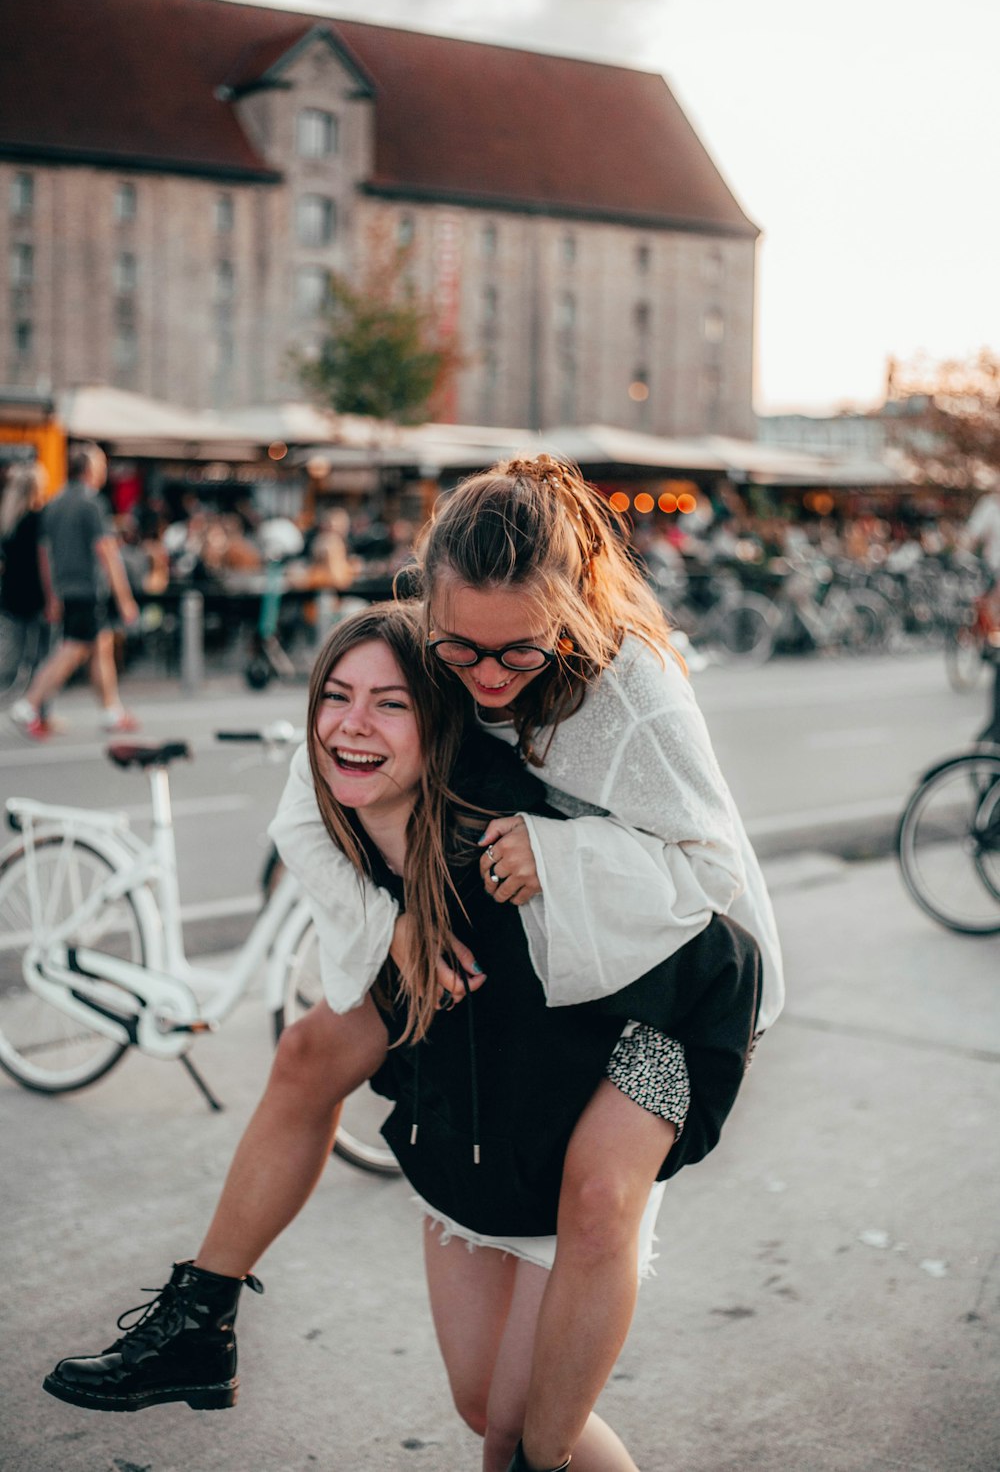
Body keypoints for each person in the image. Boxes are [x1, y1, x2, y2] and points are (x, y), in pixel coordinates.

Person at [44, 604, 762, 1472]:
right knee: (478, 1405)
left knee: (526, 1431)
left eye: (389, 705)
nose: (352, 723)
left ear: (442, 727)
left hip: (629, 1059)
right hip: (498, 1111)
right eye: (337, 697)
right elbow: (303, 824)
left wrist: (609, 1161)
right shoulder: (361, 828)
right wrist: (393, 932)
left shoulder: (505, 847)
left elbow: (711, 948)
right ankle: (201, 1316)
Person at [10, 442, 140, 738]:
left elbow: (45, 554)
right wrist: (125, 598)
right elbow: (106, 552)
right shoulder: (91, 503)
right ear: (91, 468)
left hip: (66, 588)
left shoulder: (54, 503)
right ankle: (29, 704)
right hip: (87, 588)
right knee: (72, 648)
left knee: (100, 646)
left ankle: (111, 710)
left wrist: (52, 594)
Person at [0, 461, 52, 727]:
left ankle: (37, 712)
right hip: (35, 596)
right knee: (42, 656)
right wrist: (52, 597)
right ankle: (39, 713)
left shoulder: (7, 517)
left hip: (11, 595)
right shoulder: (38, 518)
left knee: (11, 656)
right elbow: (45, 561)